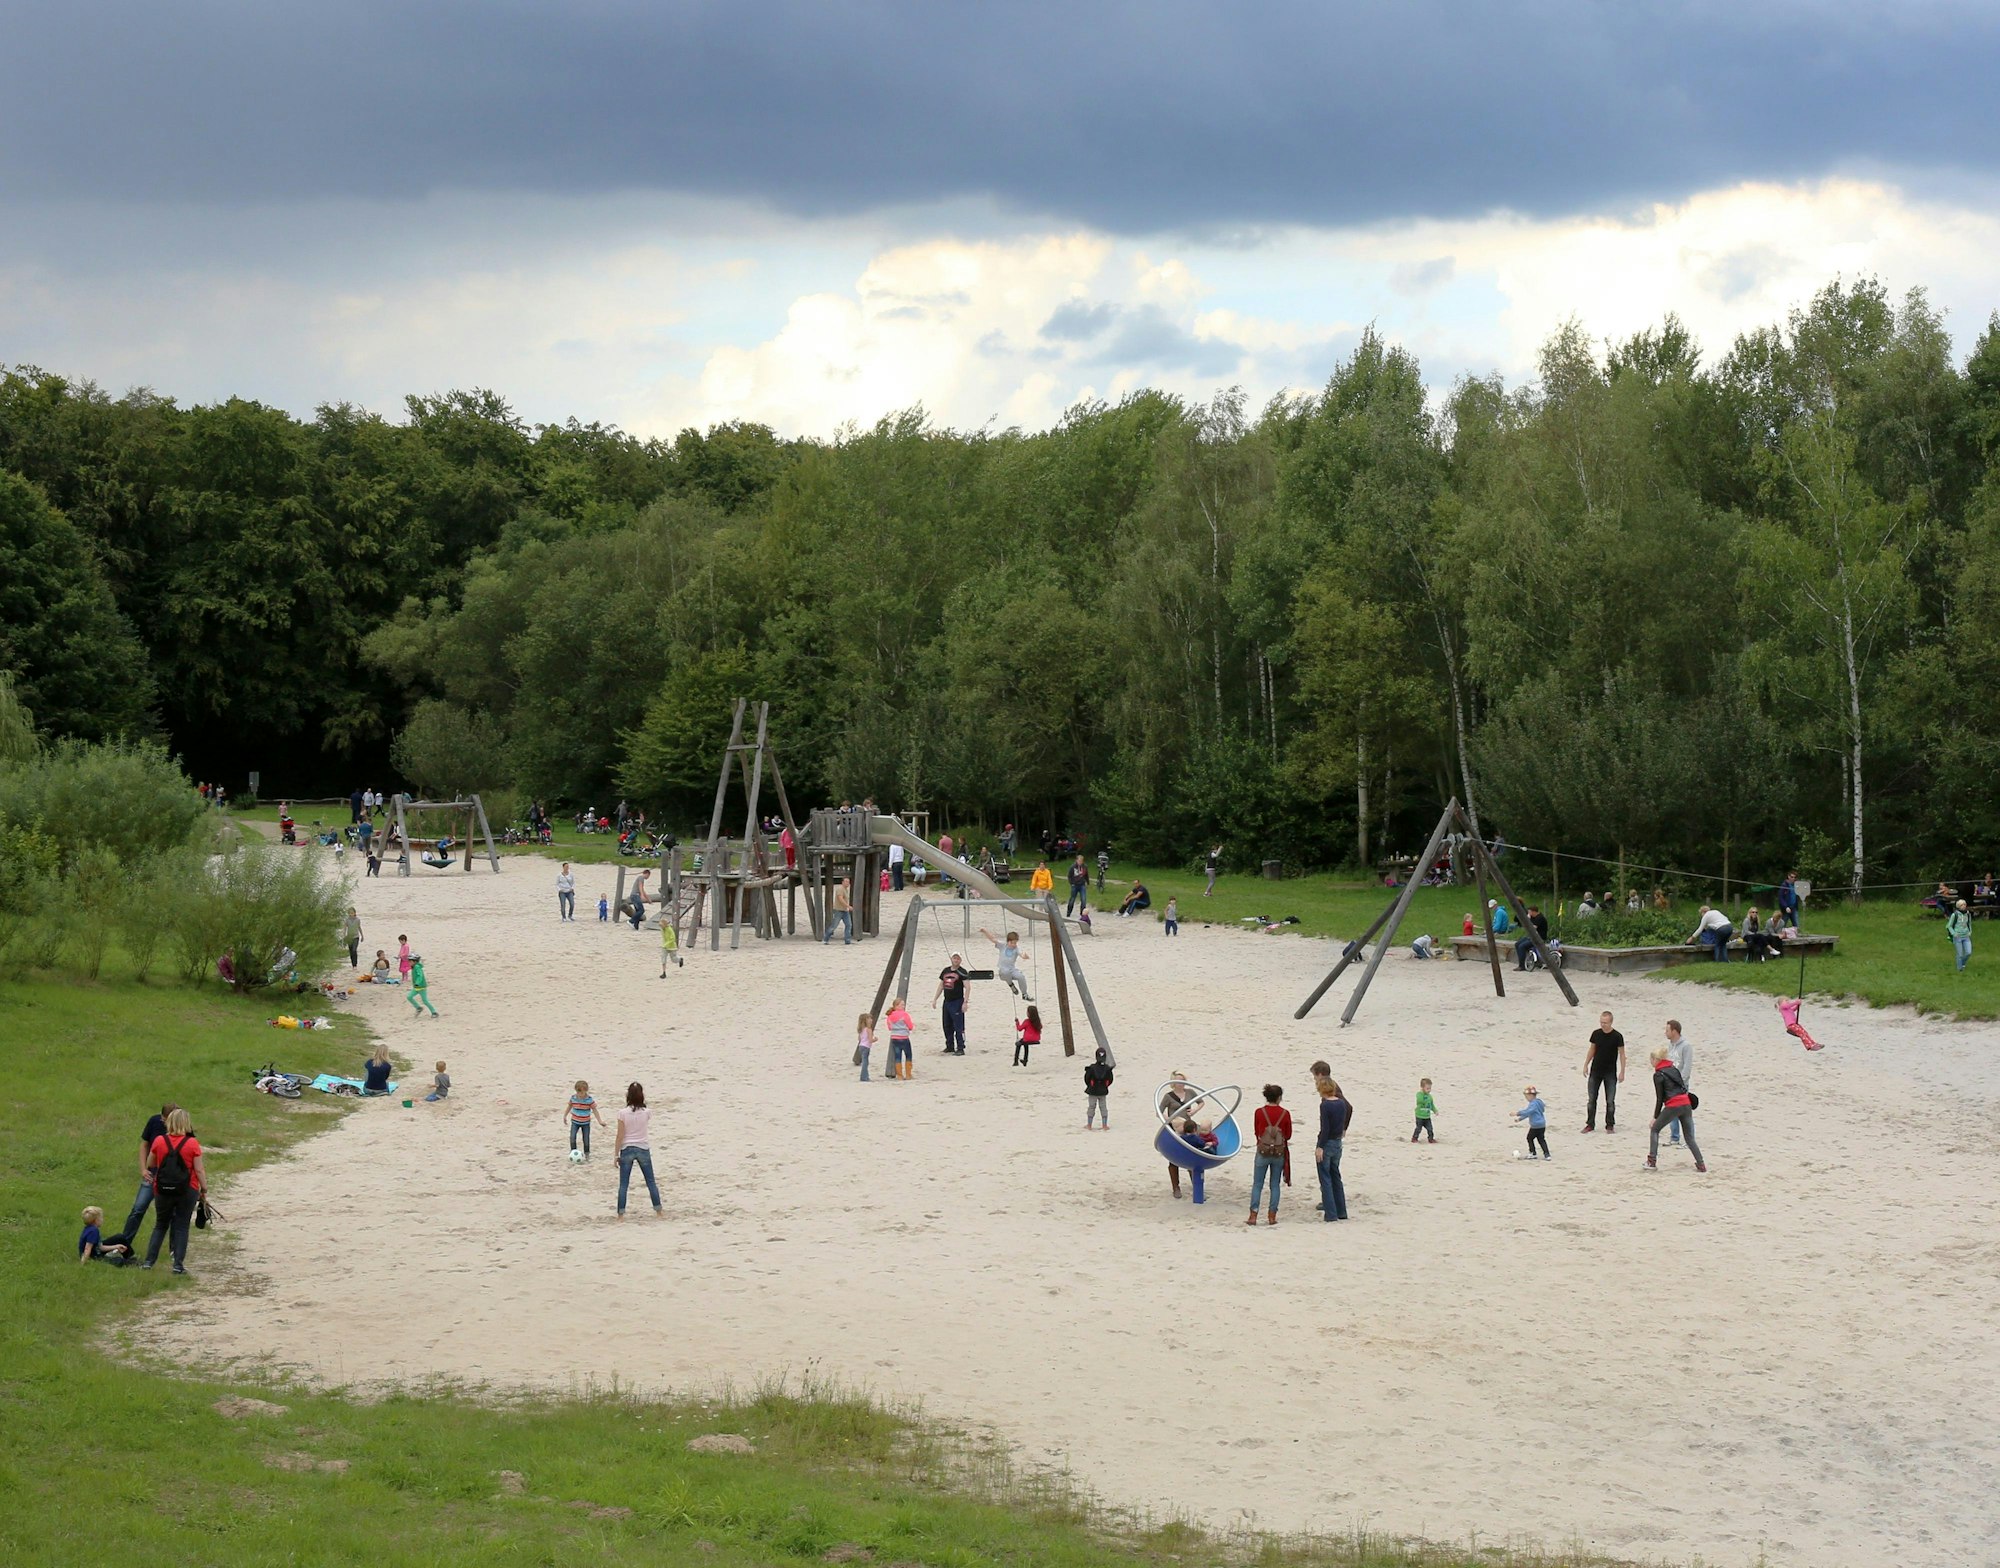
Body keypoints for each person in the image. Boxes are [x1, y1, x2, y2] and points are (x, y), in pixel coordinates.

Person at [142, 1108, 205, 1274]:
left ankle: (149, 1261)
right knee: (182, 1226)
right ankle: (178, 1265)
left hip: (162, 1189)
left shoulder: (159, 1141)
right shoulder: (192, 1143)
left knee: (160, 1225)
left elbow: (151, 1163)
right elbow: (198, 1170)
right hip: (187, 1189)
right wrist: (204, 1188)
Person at [107, 1102, 178, 1247]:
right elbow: (144, 1145)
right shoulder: (154, 1122)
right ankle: (124, 1245)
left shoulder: (182, 1126)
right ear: (162, 1117)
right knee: (138, 1209)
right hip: (152, 1173)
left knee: (173, 1214)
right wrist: (143, 1169)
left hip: (172, 1176)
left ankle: (174, 1251)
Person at [1645, 1051, 1706, 1172]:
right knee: (1689, 1138)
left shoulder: (1658, 1075)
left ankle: (1651, 1161)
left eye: (1651, 1059)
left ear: (1655, 1059)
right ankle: (1701, 1164)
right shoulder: (1674, 1069)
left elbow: (1660, 1098)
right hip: (1686, 1103)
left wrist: (1655, 1117)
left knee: (1655, 1129)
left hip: (1673, 1105)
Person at [615, 1082, 664, 1219]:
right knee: (651, 1182)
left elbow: (620, 1135)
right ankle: (658, 1211)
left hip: (627, 1148)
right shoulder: (647, 1113)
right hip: (643, 1148)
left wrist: (615, 1154)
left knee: (624, 1184)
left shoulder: (622, 1113)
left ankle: (621, 1215)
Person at [1248, 1084, 1292, 1225]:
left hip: (1263, 1150)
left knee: (1257, 1184)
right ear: (1279, 1097)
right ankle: (1272, 1216)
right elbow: (1288, 1135)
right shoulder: (1285, 1113)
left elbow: (1257, 1131)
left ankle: (1253, 1215)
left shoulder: (1259, 1112)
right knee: (1274, 1184)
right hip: (1278, 1152)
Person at [1314, 1076, 1351, 1221]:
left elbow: (1325, 1128)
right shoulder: (1341, 1103)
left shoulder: (1325, 1106)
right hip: (1337, 1143)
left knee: (1325, 1178)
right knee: (1336, 1176)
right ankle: (1342, 1211)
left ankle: (1331, 1214)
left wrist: (1320, 1147)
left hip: (1327, 1142)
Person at [1583, 1010, 1625, 1132]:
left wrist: (1622, 1071)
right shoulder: (1596, 1034)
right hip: (1595, 1071)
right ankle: (1590, 1124)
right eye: (1601, 1022)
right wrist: (1586, 1064)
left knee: (1610, 1100)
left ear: (1611, 1022)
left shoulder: (1617, 1036)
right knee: (1591, 1099)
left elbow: (1622, 1054)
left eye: (1605, 1022)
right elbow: (1592, 1049)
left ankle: (1610, 1124)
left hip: (1610, 1072)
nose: (1603, 1025)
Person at [1159, 1073, 1196, 1198]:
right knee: (1173, 1158)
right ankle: (1176, 1187)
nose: (1180, 1083)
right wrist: (1168, 1120)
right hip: (1174, 1129)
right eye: (1178, 1081)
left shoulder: (1190, 1092)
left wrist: (1195, 1110)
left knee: (1192, 1157)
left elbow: (1201, 1101)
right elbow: (1159, 1110)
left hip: (1188, 1128)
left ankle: (1196, 1186)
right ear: (1173, 1083)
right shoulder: (1168, 1096)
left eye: (1182, 1080)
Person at [1656, 1021, 1692, 1146]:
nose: (1665, 1033)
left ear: (1674, 1031)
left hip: (1681, 1084)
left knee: (1685, 1113)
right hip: (1670, 1083)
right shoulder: (1670, 1045)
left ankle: (1689, 1139)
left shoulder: (1686, 1046)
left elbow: (1687, 1066)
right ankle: (1674, 1137)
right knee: (1672, 1110)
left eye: (1667, 1030)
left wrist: (1681, 1082)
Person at [979, 927, 1032, 1000]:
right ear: (1008, 941)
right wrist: (985, 931)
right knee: (1006, 972)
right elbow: (992, 939)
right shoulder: (1003, 945)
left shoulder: (1016, 948)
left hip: (1012, 970)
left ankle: (1024, 994)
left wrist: (1025, 956)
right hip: (1003, 970)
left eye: (1015, 943)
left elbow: (1021, 954)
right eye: (1012, 942)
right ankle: (1011, 985)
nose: (1014, 944)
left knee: (1021, 977)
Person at [933, 954, 970, 1054]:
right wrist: (935, 999)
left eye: (958, 958)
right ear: (951, 959)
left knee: (958, 1026)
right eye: (954, 958)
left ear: (960, 960)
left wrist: (965, 1002)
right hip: (947, 1001)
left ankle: (960, 1047)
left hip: (957, 1001)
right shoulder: (945, 971)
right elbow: (941, 985)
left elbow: (967, 987)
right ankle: (949, 1046)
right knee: (947, 1025)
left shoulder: (962, 972)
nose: (956, 960)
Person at [567, 1080, 605, 1158]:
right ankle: (573, 1153)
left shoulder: (589, 1100)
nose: (580, 1094)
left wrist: (600, 1121)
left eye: (582, 1092)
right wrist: (564, 1116)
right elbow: (569, 1107)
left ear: (586, 1091)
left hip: (586, 1123)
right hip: (575, 1122)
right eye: (578, 1092)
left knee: (586, 1140)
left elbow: (595, 1110)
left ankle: (587, 1155)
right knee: (572, 1137)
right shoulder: (573, 1098)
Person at [1513, 1085, 1550, 1159]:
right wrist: (1520, 1119)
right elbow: (1530, 1113)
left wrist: (1517, 1113)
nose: (1526, 1098)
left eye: (1527, 1096)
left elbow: (1528, 1111)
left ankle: (1533, 1153)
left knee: (1529, 1138)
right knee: (1541, 1139)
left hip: (1535, 1125)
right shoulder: (1539, 1102)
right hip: (1542, 1124)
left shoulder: (1533, 1104)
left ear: (1531, 1095)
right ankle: (1547, 1154)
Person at [1083, 1046, 1114, 1129]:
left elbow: (1086, 1078)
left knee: (1091, 1106)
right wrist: (1105, 1085)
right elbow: (1110, 1079)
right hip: (1102, 1090)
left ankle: (1089, 1125)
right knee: (1103, 1107)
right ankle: (1104, 1125)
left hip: (1093, 1091)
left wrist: (1090, 1085)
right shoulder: (1107, 1069)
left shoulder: (1092, 1068)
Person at [885, 997, 915, 1079]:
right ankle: (908, 1074)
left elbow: (890, 1027)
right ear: (896, 1006)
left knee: (898, 1056)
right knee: (908, 1055)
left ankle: (900, 1075)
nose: (903, 1006)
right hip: (904, 1037)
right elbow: (910, 1026)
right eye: (902, 1005)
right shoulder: (905, 1014)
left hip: (894, 1037)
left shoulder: (890, 1016)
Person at [1512, 905, 1549, 969]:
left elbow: (1533, 927)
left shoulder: (1540, 918)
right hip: (1532, 937)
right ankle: (1523, 961)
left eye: (1530, 912)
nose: (1529, 914)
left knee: (1522, 946)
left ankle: (1522, 966)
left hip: (1539, 938)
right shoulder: (1533, 917)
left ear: (1533, 912)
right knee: (1517, 944)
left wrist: (1528, 920)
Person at [824, 878, 854, 945]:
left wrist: (846, 907)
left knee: (848, 925)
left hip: (845, 911)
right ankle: (826, 939)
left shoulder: (846, 890)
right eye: (846, 881)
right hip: (838, 910)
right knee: (834, 926)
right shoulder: (840, 889)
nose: (847, 883)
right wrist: (848, 906)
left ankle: (847, 940)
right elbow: (840, 899)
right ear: (842, 882)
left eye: (848, 882)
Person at [1948, 898, 1973, 971]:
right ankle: (1960, 969)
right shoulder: (1954, 915)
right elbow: (1949, 925)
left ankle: (1962, 962)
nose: (1964, 906)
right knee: (1960, 954)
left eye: (1965, 904)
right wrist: (1954, 933)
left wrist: (1970, 931)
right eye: (1962, 905)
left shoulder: (1968, 914)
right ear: (1959, 906)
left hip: (1966, 936)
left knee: (1968, 952)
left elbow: (1969, 923)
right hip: (1958, 937)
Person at [1412, 1078, 1438, 1143]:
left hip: (1427, 1116)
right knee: (1418, 1128)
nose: (1429, 1090)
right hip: (1419, 1116)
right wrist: (1425, 1097)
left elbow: (1431, 1105)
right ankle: (1414, 1138)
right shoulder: (1419, 1094)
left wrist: (1435, 1110)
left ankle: (1431, 1139)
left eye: (1430, 1088)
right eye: (1427, 1088)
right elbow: (1419, 1100)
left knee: (1430, 1129)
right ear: (1422, 1088)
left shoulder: (1430, 1097)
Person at [855, 1011, 875, 1082]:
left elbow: (859, 1039)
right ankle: (864, 1077)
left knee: (864, 1061)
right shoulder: (868, 1030)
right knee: (865, 1063)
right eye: (869, 1019)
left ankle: (864, 1076)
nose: (871, 1020)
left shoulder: (861, 1029)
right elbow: (870, 1040)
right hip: (866, 1047)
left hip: (861, 1046)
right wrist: (875, 1039)